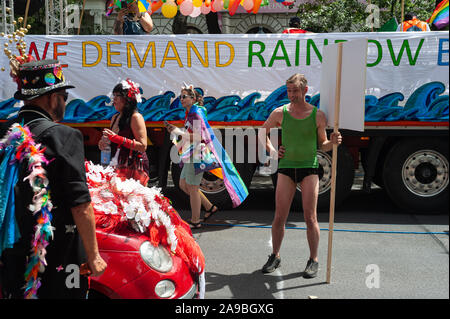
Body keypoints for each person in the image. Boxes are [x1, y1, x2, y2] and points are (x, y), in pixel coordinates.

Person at [0, 59, 107, 298]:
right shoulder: (64, 136)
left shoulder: (7, 132)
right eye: (64, 97)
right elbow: (80, 205)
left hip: (12, 252)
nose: (64, 104)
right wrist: (94, 256)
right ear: (51, 98)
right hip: (56, 255)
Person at [258, 73, 342, 278]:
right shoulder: (280, 112)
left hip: (309, 168)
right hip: (286, 169)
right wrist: (272, 152)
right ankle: (275, 255)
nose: (291, 94)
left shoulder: (318, 115)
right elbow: (262, 132)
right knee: (280, 216)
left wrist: (334, 142)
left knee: (310, 216)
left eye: (295, 90)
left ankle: (313, 260)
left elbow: (322, 145)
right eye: (289, 91)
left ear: (305, 91)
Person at [98, 79, 149, 185]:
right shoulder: (115, 117)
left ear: (128, 99)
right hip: (116, 164)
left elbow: (143, 146)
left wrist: (117, 139)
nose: (114, 99)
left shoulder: (136, 117)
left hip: (133, 167)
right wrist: (103, 144)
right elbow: (112, 142)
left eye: (118, 95)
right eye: (114, 95)